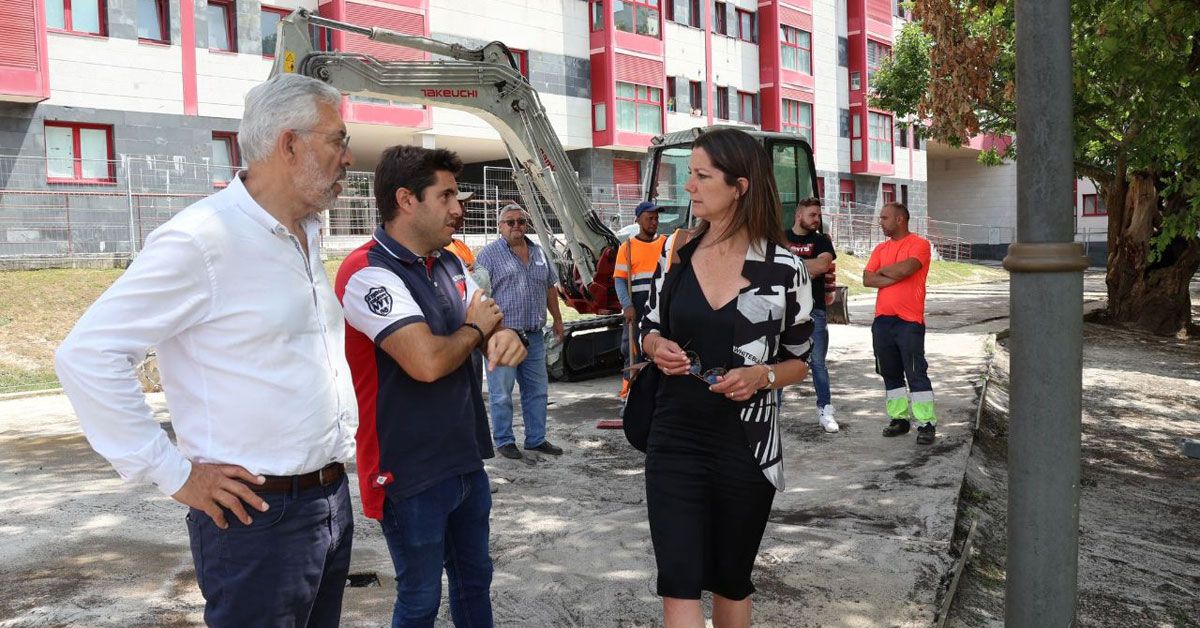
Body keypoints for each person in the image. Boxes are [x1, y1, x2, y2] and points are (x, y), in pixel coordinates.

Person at [54, 74, 357, 626]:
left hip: (329, 500)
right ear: (290, 144)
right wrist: (174, 474)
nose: (348, 157)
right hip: (256, 518)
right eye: (339, 139)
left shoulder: (304, 232)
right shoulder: (202, 238)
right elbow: (87, 355)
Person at [335, 145, 528, 627]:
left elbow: (487, 317)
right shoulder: (366, 272)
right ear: (405, 200)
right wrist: (479, 331)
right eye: (445, 197)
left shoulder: (447, 262)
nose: (458, 209)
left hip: (463, 459)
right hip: (407, 471)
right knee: (420, 597)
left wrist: (501, 334)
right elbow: (425, 362)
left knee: (474, 582)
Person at [639, 128, 814, 628]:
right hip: (674, 437)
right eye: (688, 175)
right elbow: (648, 328)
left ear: (739, 186)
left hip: (746, 445)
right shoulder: (677, 253)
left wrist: (762, 376)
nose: (688, 187)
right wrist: (656, 347)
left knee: (732, 582)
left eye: (700, 176)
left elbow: (801, 359)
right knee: (678, 584)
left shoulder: (783, 269)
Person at [475, 203, 566, 461]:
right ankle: (504, 440)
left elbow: (549, 287)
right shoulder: (488, 256)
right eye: (510, 222)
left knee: (537, 391)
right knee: (501, 392)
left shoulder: (538, 252)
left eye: (521, 222)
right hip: (502, 336)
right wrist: (489, 333)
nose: (516, 226)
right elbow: (480, 296)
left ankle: (536, 439)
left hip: (534, 336)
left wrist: (557, 319)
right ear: (500, 227)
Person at [862, 201, 936, 445]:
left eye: (884, 218)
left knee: (916, 372)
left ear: (899, 220)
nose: (880, 222)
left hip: (909, 322)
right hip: (883, 322)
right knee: (889, 373)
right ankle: (899, 419)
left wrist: (883, 273)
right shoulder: (880, 249)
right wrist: (891, 274)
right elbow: (867, 279)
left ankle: (926, 424)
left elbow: (908, 269)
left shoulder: (920, 245)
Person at [785, 197, 839, 433]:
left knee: (818, 363)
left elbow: (821, 266)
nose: (817, 219)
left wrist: (787, 264)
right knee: (777, 362)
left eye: (819, 215)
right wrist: (808, 264)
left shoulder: (822, 241)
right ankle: (771, 411)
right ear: (799, 215)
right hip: (783, 311)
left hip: (814, 310)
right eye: (813, 215)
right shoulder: (780, 237)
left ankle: (825, 410)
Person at [614, 200, 667, 398]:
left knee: (660, 350)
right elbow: (620, 280)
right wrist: (626, 305)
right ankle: (629, 397)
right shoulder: (627, 247)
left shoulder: (665, 244)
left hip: (661, 305)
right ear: (638, 220)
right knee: (633, 352)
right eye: (649, 218)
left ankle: (657, 396)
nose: (654, 222)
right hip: (637, 305)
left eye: (656, 219)